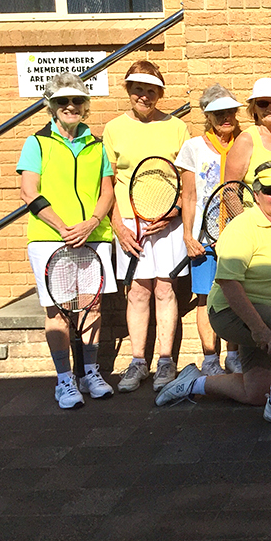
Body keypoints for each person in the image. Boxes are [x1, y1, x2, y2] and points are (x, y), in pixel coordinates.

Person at [154, 163, 271, 429]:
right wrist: (261, 328)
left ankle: (192, 383)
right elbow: (228, 283)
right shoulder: (242, 227)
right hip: (231, 313)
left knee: (255, 393)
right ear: (256, 193)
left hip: (270, 316)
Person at [17, 73, 117, 409]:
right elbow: (29, 191)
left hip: (93, 237)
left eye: (76, 101)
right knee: (57, 311)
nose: (70, 107)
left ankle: (90, 372)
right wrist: (63, 227)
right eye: (63, 101)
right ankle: (64, 381)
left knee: (92, 306)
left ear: (85, 106)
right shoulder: (37, 143)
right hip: (50, 239)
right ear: (52, 106)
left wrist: (90, 223)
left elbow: (107, 192)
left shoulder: (98, 145)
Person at [103, 60, 190, 393]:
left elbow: (187, 180)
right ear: (128, 90)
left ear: (160, 93)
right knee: (137, 291)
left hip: (167, 223)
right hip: (130, 224)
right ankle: (138, 361)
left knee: (165, 289)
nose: (144, 96)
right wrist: (117, 226)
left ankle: (166, 361)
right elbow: (107, 184)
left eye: (151, 90)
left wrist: (176, 211)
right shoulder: (113, 129)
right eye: (138, 89)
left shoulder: (177, 127)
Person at [175, 84, 243, 378]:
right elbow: (188, 195)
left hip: (237, 236)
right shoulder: (193, 147)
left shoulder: (243, 142)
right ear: (207, 115)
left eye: (230, 111)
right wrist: (188, 236)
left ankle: (235, 354)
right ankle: (210, 357)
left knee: (237, 296)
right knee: (206, 297)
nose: (225, 117)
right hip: (205, 238)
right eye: (218, 112)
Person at [226, 77, 271, 183]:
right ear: (254, 108)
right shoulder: (246, 140)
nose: (270, 109)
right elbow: (230, 190)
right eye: (262, 104)